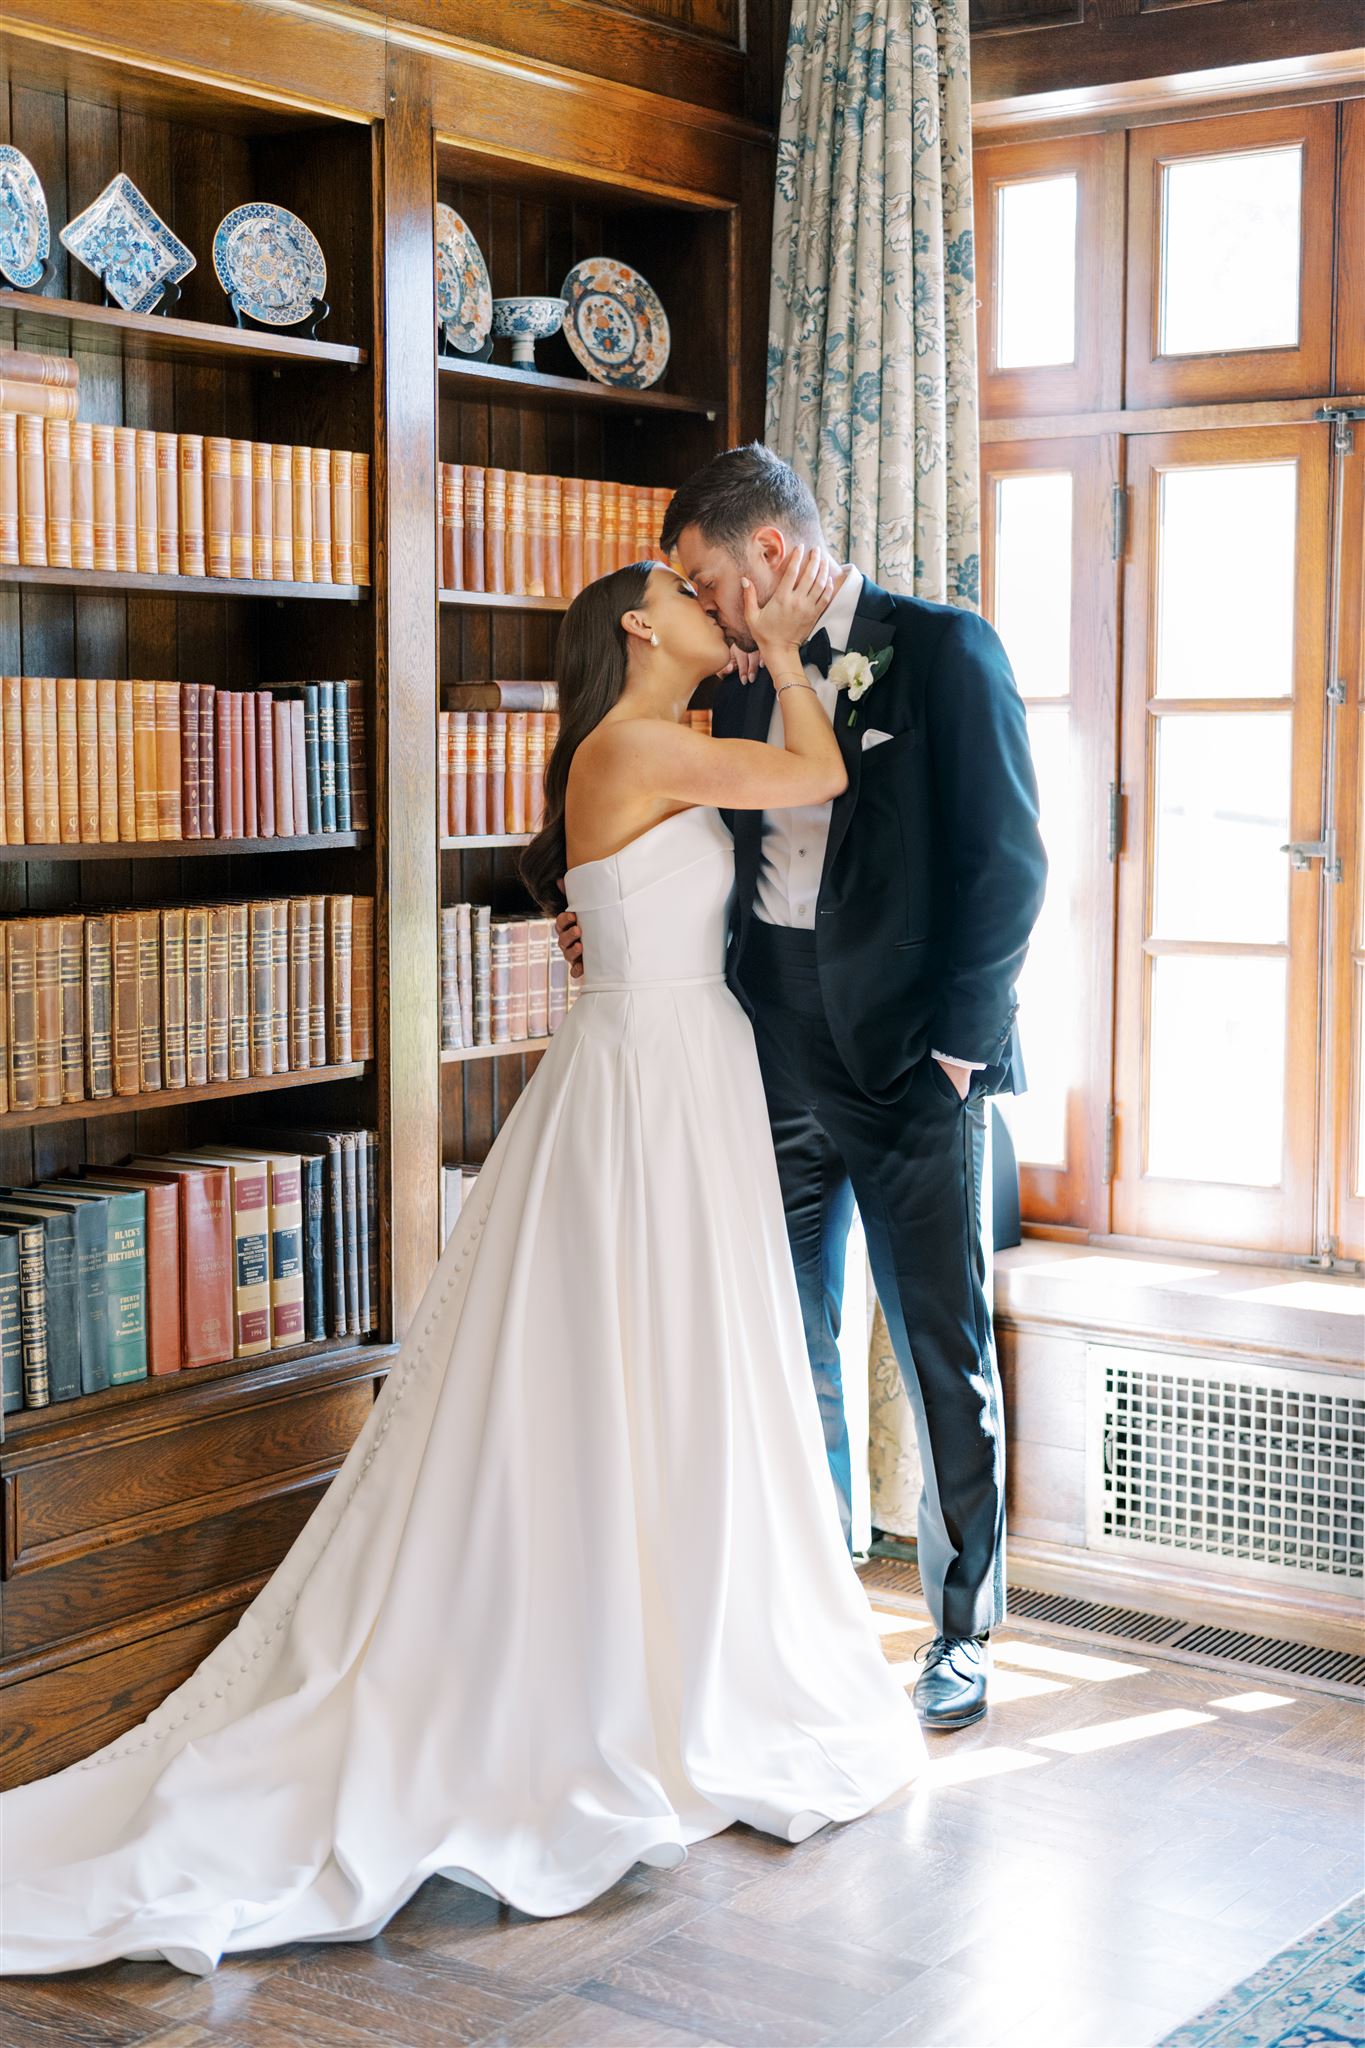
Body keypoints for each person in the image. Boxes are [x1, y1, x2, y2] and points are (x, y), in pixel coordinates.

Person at [0, 549, 926, 1980]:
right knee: (628, 1353)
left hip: (676, 1069)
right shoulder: (634, 744)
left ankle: (677, 1635)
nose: (716, 610)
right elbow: (816, 779)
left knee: (678, 1355)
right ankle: (608, 1665)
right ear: (639, 627)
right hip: (642, 1083)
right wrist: (797, 651)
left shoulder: (663, 744)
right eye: (694, 596)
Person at [558, 445, 1048, 1733]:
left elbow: (1010, 867)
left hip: (906, 1065)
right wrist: (598, 921)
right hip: (757, 1053)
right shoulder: (719, 690)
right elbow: (651, 829)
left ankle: (961, 1630)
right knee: (788, 1345)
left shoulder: (941, 650)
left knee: (939, 1343)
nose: (705, 608)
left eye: (707, 580)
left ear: (766, 558)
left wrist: (961, 1047)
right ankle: (816, 1609)